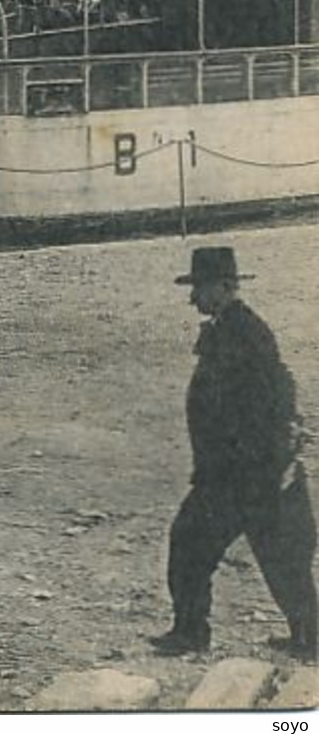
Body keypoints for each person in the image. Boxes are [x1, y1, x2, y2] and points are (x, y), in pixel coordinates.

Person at [150, 247, 317, 660]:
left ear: (224, 288)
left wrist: (266, 463)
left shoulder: (245, 334)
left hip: (246, 474)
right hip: (238, 471)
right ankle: (307, 638)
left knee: (266, 555)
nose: (193, 299)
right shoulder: (230, 327)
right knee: (275, 557)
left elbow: (270, 398)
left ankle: (193, 633)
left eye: (198, 288)